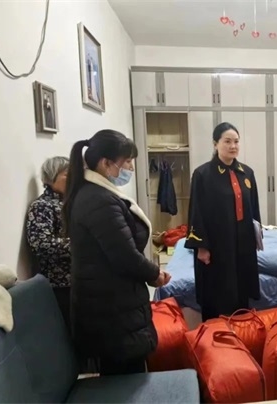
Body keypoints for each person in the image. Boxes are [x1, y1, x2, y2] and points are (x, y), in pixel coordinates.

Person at [62, 129, 171, 376]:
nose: (131, 168)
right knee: (126, 380)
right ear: (106, 163)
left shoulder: (95, 193)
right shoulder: (99, 200)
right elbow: (125, 255)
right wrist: (154, 273)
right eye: (127, 161)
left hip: (113, 304)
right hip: (111, 311)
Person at [184, 122, 261, 321]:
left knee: (241, 290)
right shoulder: (202, 174)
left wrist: (257, 238)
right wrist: (201, 247)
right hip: (216, 244)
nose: (233, 146)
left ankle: (242, 329)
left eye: (236, 141)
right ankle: (213, 333)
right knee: (216, 292)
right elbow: (196, 213)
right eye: (227, 141)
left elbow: (254, 210)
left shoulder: (247, 173)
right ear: (215, 144)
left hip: (243, 243)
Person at [26, 156, 71, 328]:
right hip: (60, 285)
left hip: (79, 280)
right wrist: (81, 244)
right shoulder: (42, 206)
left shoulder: (68, 203)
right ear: (51, 178)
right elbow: (41, 244)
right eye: (66, 174)